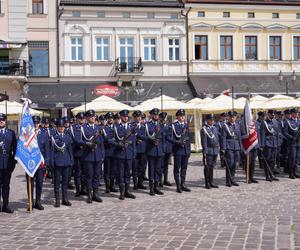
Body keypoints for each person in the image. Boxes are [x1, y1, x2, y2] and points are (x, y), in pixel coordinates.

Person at [26, 116, 50, 211]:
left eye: (37, 122)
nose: (35, 124)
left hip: (40, 163)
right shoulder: (27, 134)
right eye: (34, 122)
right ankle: (30, 202)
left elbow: (47, 149)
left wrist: (47, 162)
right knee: (30, 183)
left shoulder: (44, 134)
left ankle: (38, 201)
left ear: (39, 123)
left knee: (39, 183)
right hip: (30, 163)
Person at [80, 109, 104, 203]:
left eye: (93, 116)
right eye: (90, 116)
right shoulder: (83, 128)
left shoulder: (98, 128)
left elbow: (102, 142)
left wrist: (102, 154)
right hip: (88, 155)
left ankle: (95, 194)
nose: (92, 118)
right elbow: (79, 140)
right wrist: (87, 144)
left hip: (97, 155)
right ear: (86, 118)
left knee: (97, 176)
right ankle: (89, 194)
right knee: (89, 175)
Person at [113, 110, 136, 200]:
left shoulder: (131, 127)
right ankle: (122, 192)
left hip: (129, 153)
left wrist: (134, 152)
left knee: (128, 173)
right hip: (120, 153)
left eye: (127, 116)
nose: (126, 118)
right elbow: (113, 140)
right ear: (121, 117)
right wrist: (119, 144)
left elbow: (133, 141)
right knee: (121, 173)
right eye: (124, 116)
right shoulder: (116, 127)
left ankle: (127, 191)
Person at [167, 109, 191, 193]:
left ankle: (183, 184)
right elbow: (168, 137)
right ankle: (178, 186)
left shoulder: (186, 125)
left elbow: (188, 137)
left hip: (185, 150)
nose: (182, 117)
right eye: (181, 116)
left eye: (183, 115)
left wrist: (189, 150)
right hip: (178, 150)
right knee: (177, 168)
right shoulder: (173, 126)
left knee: (184, 168)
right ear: (177, 117)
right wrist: (177, 142)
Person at [51, 118, 73, 207]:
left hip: (66, 161)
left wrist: (71, 160)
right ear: (57, 127)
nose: (61, 128)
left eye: (63, 126)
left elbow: (70, 149)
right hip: (57, 161)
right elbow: (51, 150)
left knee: (65, 181)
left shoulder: (67, 136)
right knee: (57, 182)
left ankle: (65, 199)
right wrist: (52, 161)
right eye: (60, 127)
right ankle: (57, 199)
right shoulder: (53, 137)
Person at [145, 108, 165, 195]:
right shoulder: (147, 125)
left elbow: (164, 135)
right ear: (152, 115)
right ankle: (151, 188)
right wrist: (152, 138)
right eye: (154, 114)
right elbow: (146, 136)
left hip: (159, 150)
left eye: (157, 114)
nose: (156, 116)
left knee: (158, 170)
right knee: (151, 169)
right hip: (151, 149)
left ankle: (157, 187)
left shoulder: (161, 124)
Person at [0, 113, 17, 213]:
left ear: (5, 121)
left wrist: (14, 162)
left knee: (6, 185)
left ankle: (5, 205)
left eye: (2, 120)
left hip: (7, 163)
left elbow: (15, 148)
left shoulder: (11, 133)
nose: (1, 121)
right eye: (0, 120)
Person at [220, 111, 241, 187]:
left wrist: (240, 147)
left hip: (236, 147)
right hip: (229, 147)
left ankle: (233, 179)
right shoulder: (225, 126)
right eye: (231, 117)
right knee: (230, 164)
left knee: (235, 164)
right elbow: (223, 138)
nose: (232, 118)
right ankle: (228, 181)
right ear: (228, 117)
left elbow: (239, 138)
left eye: (234, 117)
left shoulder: (238, 126)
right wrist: (223, 148)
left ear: (236, 117)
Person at [200, 114, 219, 189]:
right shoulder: (204, 129)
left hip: (215, 150)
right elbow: (204, 141)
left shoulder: (214, 128)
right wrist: (205, 151)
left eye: (213, 119)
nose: (212, 121)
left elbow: (217, 138)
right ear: (207, 120)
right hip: (209, 150)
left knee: (212, 167)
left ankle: (211, 182)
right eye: (211, 120)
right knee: (207, 167)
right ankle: (207, 182)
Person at [260, 110, 279, 182]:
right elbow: (263, 134)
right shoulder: (264, 122)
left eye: (273, 114)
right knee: (267, 160)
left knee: (273, 160)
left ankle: (272, 174)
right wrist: (262, 145)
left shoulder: (275, 122)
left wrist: (277, 143)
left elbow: (277, 133)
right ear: (268, 114)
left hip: (274, 143)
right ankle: (267, 176)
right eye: (271, 114)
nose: (273, 115)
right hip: (267, 143)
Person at [70, 112, 86, 197]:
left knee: (85, 172)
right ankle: (78, 190)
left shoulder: (86, 127)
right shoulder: (73, 128)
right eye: (80, 118)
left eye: (83, 118)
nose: (82, 120)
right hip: (77, 153)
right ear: (77, 119)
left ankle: (83, 188)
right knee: (77, 173)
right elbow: (74, 140)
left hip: (85, 153)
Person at [131, 110, 147, 190]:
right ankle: (135, 184)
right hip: (135, 149)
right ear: (134, 118)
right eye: (137, 116)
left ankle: (140, 182)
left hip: (143, 149)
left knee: (142, 167)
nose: (139, 118)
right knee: (135, 167)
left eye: (140, 116)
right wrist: (136, 140)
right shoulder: (132, 126)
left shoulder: (144, 126)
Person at [103, 112, 117, 193]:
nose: (111, 119)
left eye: (112, 118)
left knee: (113, 170)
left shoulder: (116, 127)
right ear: (107, 119)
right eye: (109, 118)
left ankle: (112, 186)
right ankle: (107, 187)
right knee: (107, 170)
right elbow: (106, 139)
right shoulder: (104, 128)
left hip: (115, 151)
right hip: (108, 152)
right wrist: (112, 140)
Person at [283, 108, 300, 179]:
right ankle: (291, 173)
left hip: (298, 142)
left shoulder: (299, 121)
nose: (296, 114)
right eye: (295, 113)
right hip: (292, 142)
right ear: (292, 114)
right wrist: (291, 137)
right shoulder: (287, 122)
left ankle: (295, 172)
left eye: (297, 113)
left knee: (297, 158)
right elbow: (285, 132)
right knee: (292, 158)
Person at [159, 112, 172, 187]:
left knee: (166, 165)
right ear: (160, 118)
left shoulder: (168, 126)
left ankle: (165, 179)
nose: (164, 119)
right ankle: (160, 180)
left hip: (168, 148)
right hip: (161, 148)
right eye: (162, 118)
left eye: (165, 118)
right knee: (160, 165)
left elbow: (170, 137)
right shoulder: (158, 126)